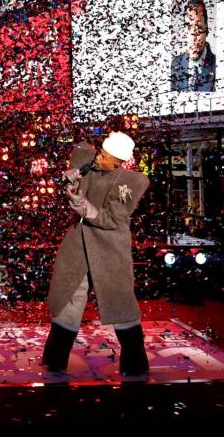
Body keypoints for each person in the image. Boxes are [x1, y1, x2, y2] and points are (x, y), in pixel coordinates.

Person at [42, 132, 151, 378]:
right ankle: (54, 361)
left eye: (105, 157)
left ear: (118, 162)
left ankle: (135, 365)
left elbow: (111, 219)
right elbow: (78, 163)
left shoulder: (130, 182)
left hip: (110, 252)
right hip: (78, 248)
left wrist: (82, 205)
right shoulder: (89, 165)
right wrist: (71, 183)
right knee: (68, 303)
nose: (99, 158)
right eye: (100, 152)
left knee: (120, 306)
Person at [170, 0, 216, 92]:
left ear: (207, 30)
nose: (194, 37)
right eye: (189, 27)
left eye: (199, 28)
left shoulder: (218, 66)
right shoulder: (174, 66)